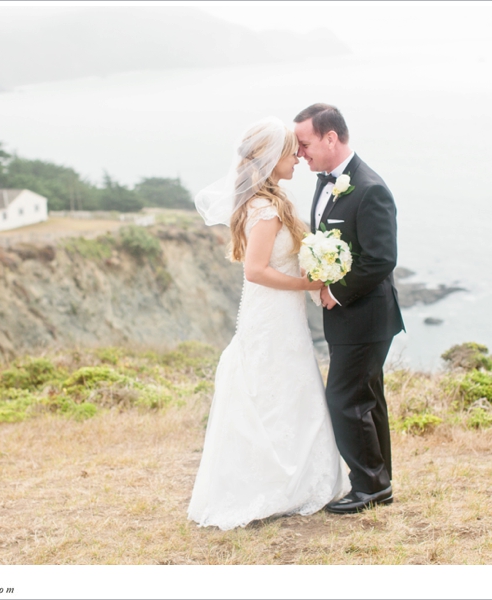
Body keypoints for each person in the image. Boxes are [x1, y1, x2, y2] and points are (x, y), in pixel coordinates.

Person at [188, 117, 349, 530]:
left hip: (283, 312)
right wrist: (306, 283)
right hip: (271, 313)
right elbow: (256, 270)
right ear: (271, 157)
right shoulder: (263, 208)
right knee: (274, 388)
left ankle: (297, 479)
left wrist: (315, 278)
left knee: (291, 388)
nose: (298, 157)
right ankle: (275, 484)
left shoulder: (270, 200)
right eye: (291, 151)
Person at [293, 103, 405, 514]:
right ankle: (379, 482)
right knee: (366, 399)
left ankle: (370, 486)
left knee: (344, 400)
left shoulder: (370, 188)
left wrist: (336, 291)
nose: (300, 153)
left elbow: (381, 258)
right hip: (352, 318)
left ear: (331, 138)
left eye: (305, 145)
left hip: (366, 316)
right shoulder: (327, 183)